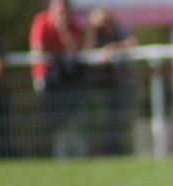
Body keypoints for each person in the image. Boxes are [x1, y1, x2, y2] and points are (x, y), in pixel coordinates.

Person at [30, 0, 88, 158]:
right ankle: (58, 156)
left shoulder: (72, 24)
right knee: (55, 123)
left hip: (68, 81)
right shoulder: (41, 21)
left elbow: (73, 50)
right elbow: (38, 48)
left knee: (73, 121)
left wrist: (63, 31)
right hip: (48, 80)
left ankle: (78, 155)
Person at [85, 8, 139, 155]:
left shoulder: (120, 31)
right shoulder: (95, 36)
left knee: (120, 120)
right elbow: (88, 51)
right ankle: (110, 151)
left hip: (124, 83)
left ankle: (119, 151)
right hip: (107, 86)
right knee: (108, 120)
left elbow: (133, 42)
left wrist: (112, 48)